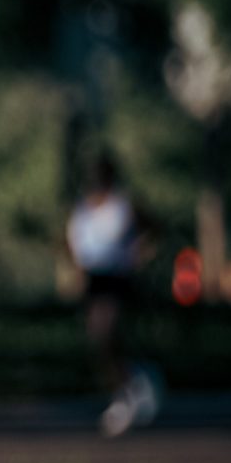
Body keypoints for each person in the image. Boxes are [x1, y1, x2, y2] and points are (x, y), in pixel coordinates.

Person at [66, 151, 161, 437]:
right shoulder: (83, 209)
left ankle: (129, 392)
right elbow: (74, 244)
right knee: (102, 340)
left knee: (105, 332)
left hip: (117, 279)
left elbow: (153, 229)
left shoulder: (124, 206)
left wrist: (141, 253)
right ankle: (131, 387)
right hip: (95, 280)